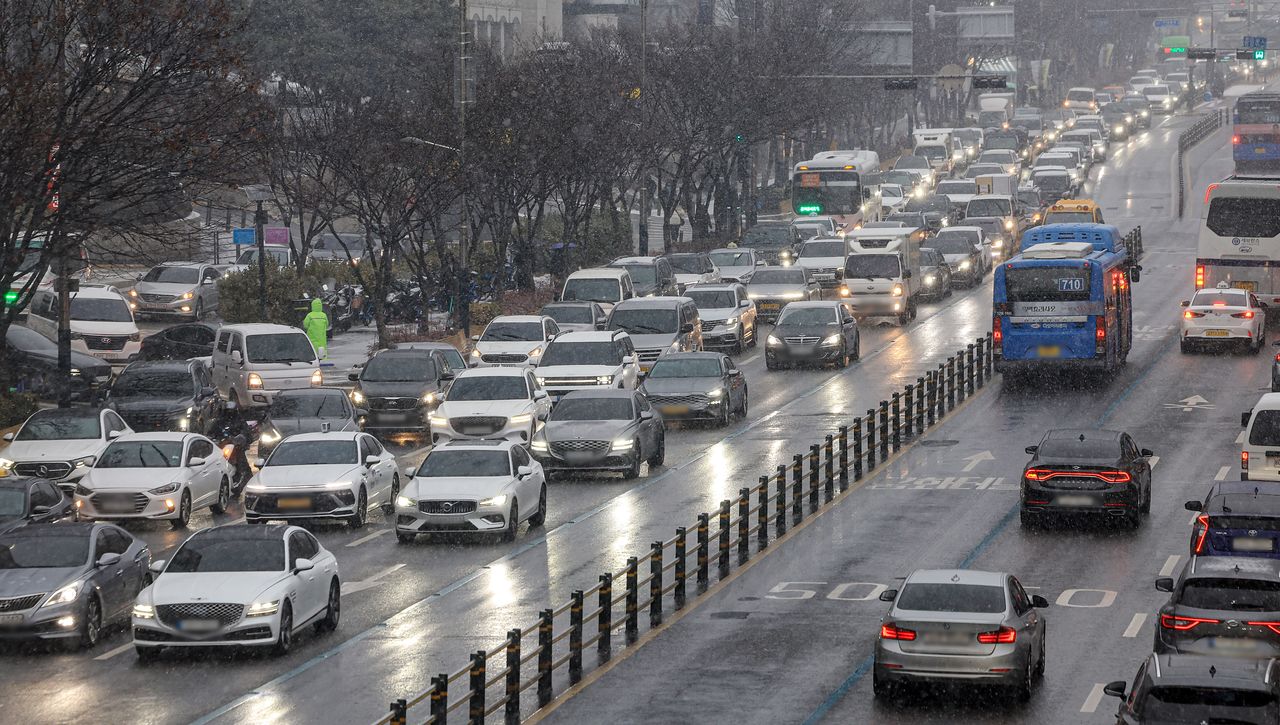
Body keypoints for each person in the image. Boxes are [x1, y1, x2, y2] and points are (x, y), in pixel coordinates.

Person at [211, 400, 254, 493]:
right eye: (227, 411)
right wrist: (214, 439)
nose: (229, 414)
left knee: (244, 467)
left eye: (231, 411)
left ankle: (239, 485)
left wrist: (242, 438)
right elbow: (211, 433)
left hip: (236, 449)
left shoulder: (240, 421)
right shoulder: (219, 421)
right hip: (222, 448)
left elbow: (248, 434)